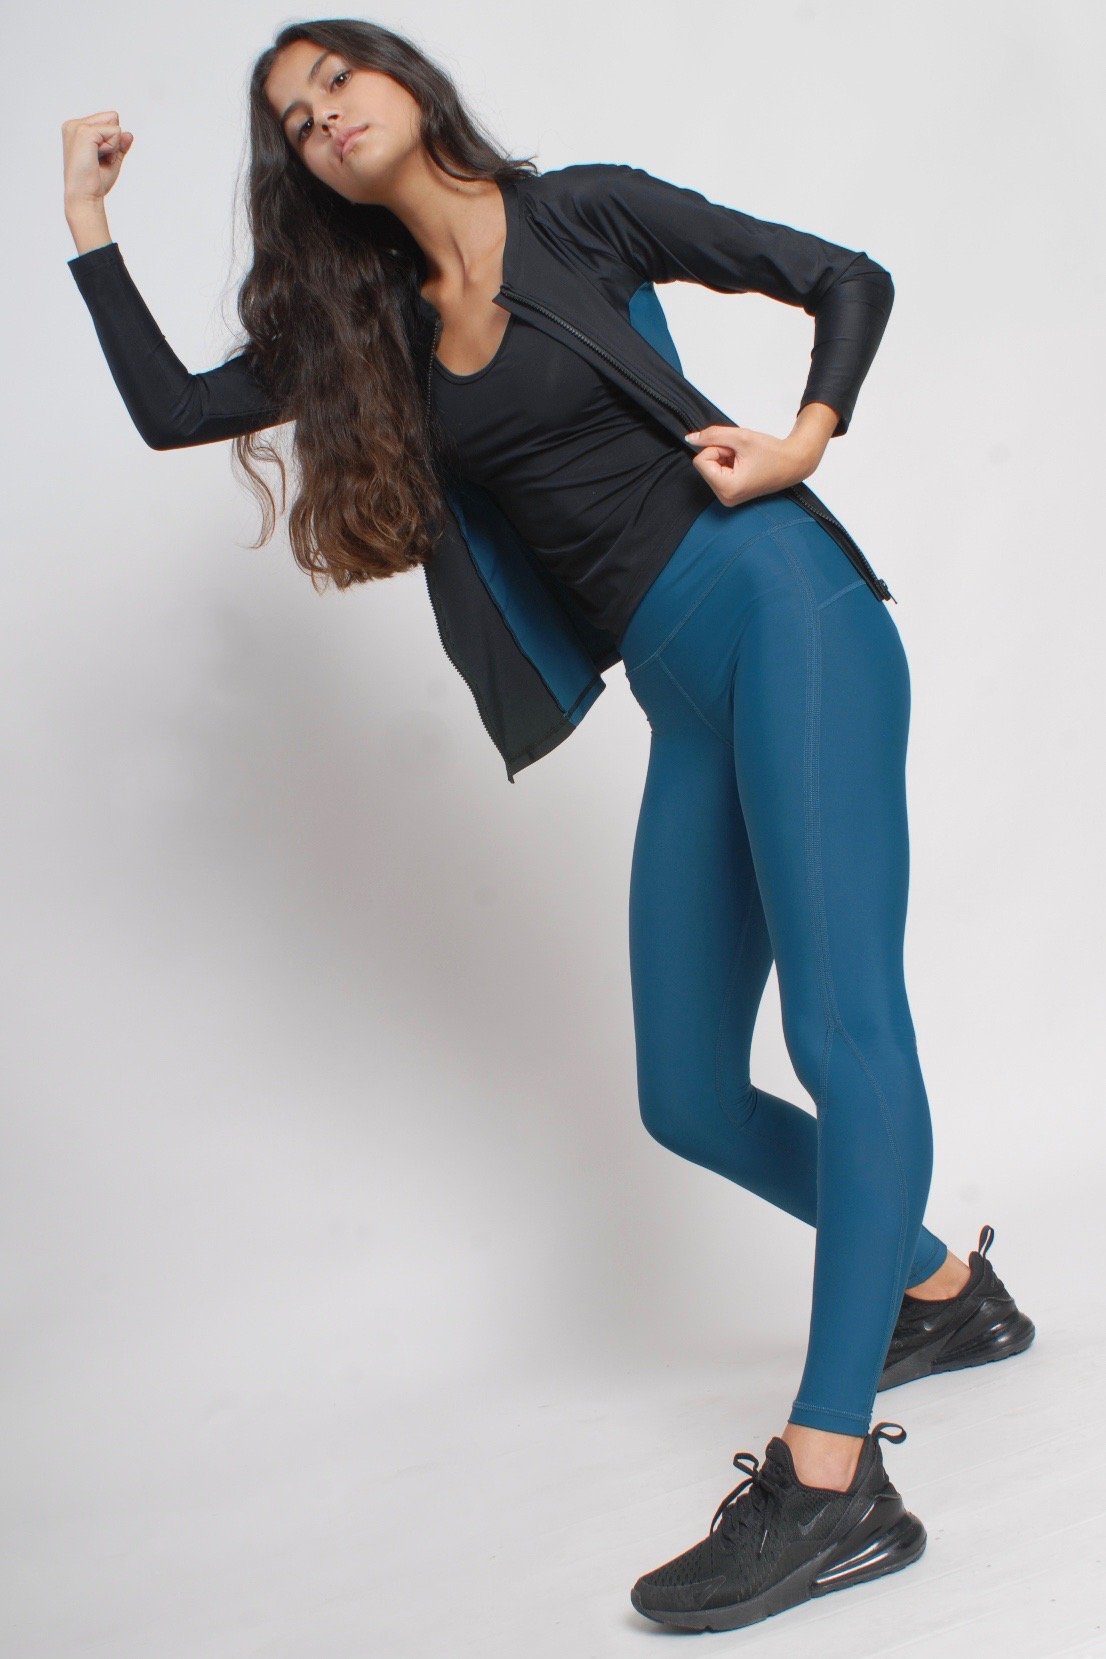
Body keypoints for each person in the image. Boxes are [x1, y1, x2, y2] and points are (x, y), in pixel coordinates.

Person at [61, 19, 1036, 1634]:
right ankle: (938, 1288)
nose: (323, 117)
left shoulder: (581, 212)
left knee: (842, 1028)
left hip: (784, 610)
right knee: (685, 1094)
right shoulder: (381, 325)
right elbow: (175, 407)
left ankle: (830, 1480)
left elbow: (842, 276)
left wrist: (800, 440)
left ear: (406, 81)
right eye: (294, 120)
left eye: (337, 80)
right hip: (686, 692)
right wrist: (89, 224)